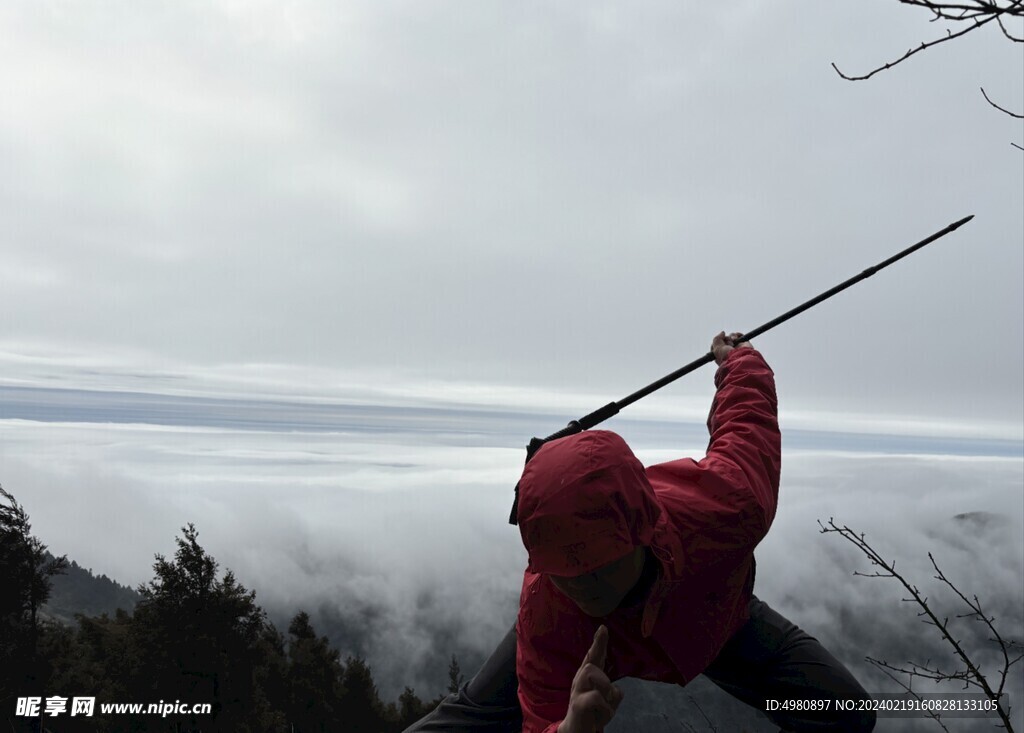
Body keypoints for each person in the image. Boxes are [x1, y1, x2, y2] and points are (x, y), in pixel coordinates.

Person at [405, 332, 874, 733]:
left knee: (847, 714)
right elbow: (540, 717)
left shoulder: (726, 506)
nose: (580, 585)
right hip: (617, 638)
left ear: (643, 531)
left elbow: (746, 425)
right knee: (471, 717)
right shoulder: (553, 608)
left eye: (595, 565)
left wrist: (738, 359)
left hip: (716, 618)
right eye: (563, 569)